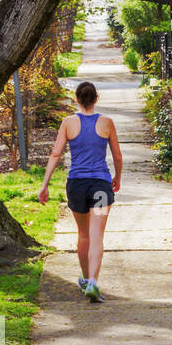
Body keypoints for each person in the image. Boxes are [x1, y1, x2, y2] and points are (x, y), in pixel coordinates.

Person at [38, 81, 122, 302]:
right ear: (96, 99)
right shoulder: (107, 123)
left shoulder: (68, 123)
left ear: (76, 99)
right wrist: (118, 177)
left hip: (76, 185)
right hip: (101, 186)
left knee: (83, 235)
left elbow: (55, 154)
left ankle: (86, 280)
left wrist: (44, 185)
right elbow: (117, 156)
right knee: (97, 236)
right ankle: (93, 281)